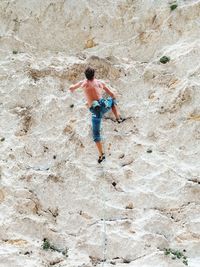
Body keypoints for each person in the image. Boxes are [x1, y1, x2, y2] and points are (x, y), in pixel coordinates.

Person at [69, 67, 124, 163]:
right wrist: (113, 96)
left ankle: (101, 154)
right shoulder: (99, 83)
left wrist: (72, 88)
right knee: (111, 101)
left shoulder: (83, 83)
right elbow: (111, 93)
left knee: (96, 135)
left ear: (86, 76)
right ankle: (118, 118)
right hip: (103, 106)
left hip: (95, 111)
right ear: (94, 75)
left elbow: (72, 87)